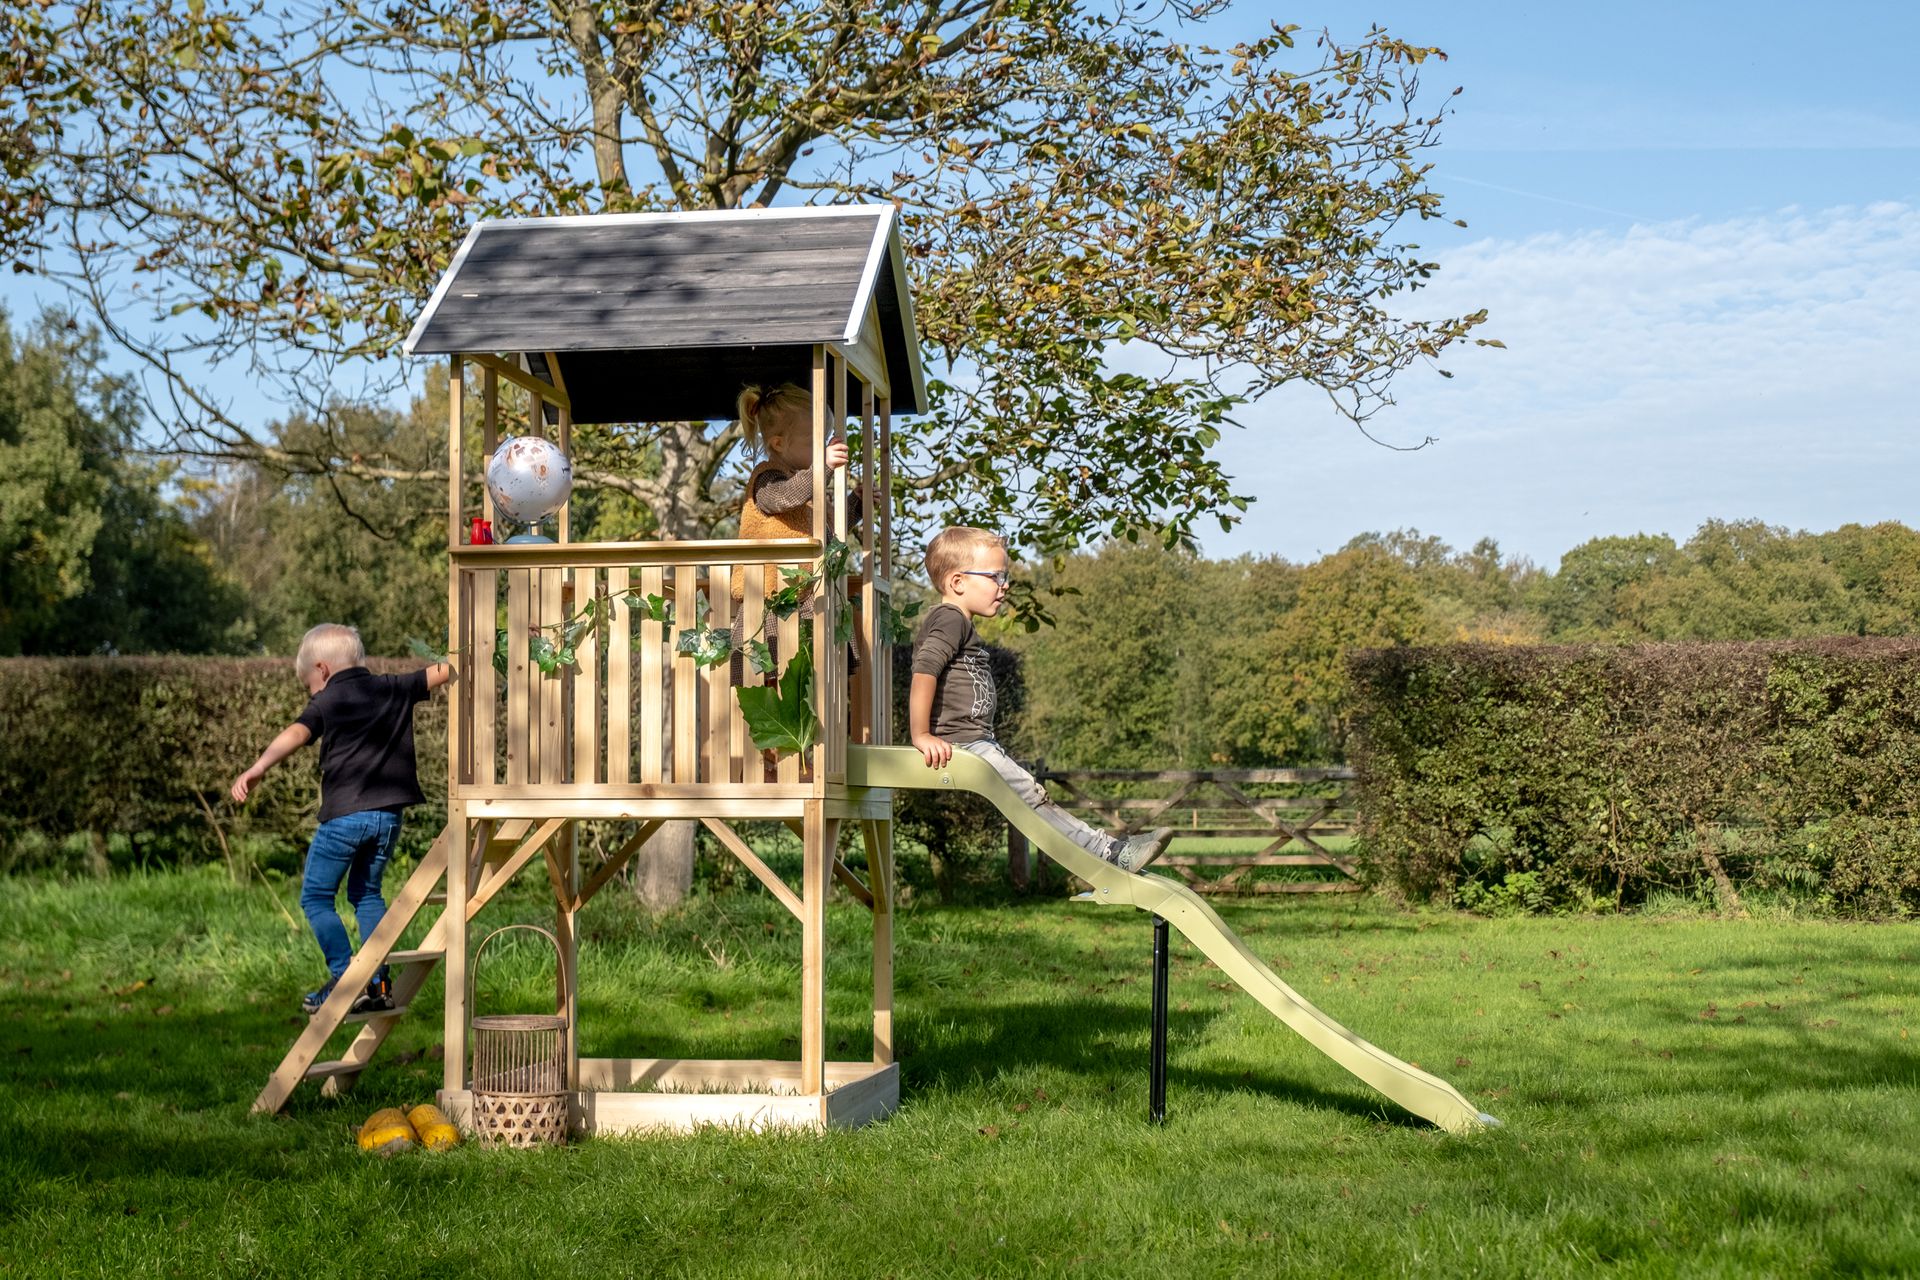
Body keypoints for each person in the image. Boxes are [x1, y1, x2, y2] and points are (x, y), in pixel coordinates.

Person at [909, 526, 1172, 874]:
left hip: (976, 742)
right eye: (995, 576)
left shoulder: (958, 621)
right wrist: (922, 735)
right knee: (1032, 795)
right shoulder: (950, 619)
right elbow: (925, 669)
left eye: (1005, 576)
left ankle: (1109, 848)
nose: (1004, 585)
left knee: (1033, 794)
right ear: (958, 582)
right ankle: (1108, 853)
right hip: (964, 744)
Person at [229, 624, 455, 1015]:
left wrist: (259, 766)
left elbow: (298, 733)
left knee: (316, 897)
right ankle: (376, 984)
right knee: (366, 895)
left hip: (345, 819)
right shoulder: (392, 686)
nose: (312, 695)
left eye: (310, 686)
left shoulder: (329, 700)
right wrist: (489, 643)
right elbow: (445, 670)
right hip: (387, 818)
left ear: (323, 669)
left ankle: (342, 977)